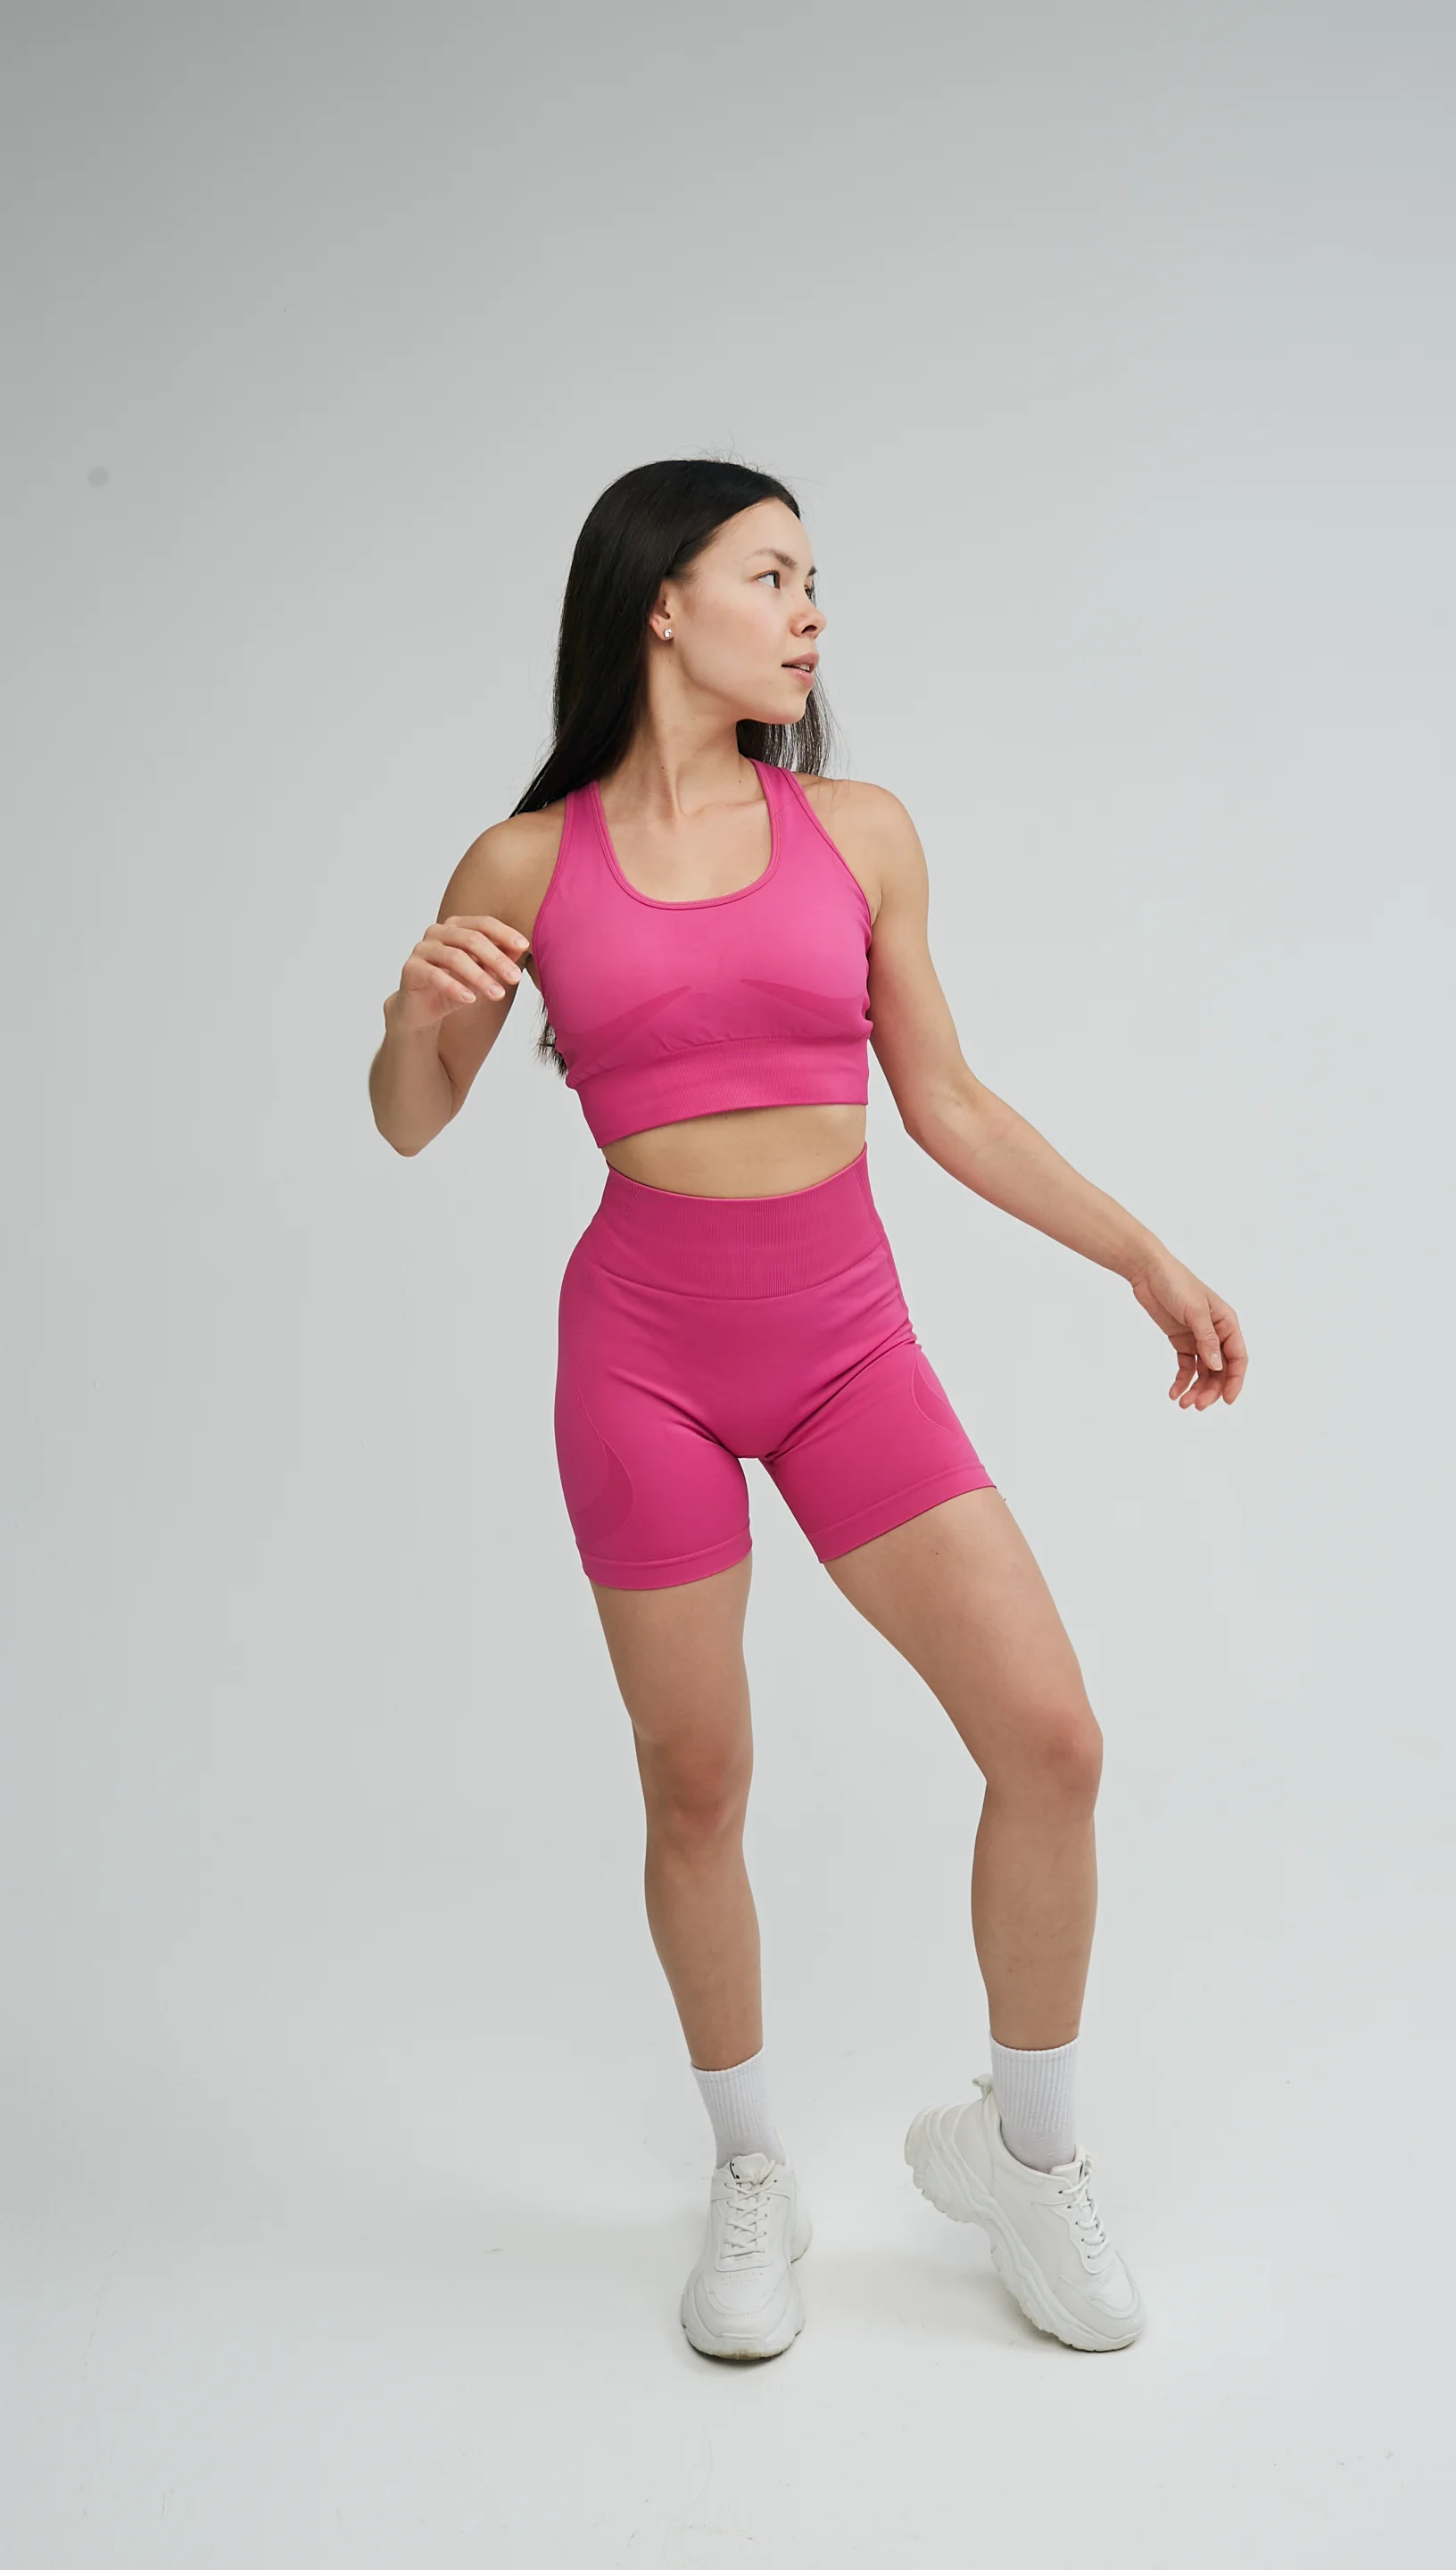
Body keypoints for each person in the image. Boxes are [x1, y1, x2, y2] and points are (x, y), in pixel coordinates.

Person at [368, 458, 1247, 2362]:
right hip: (643, 1364)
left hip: (848, 1350)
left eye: (813, 578)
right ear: (659, 601)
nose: (811, 610)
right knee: (697, 1784)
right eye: (772, 575)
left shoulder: (858, 832)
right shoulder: (522, 865)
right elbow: (411, 1119)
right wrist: (413, 1014)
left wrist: (1142, 1256)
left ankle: (1025, 2156)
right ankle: (752, 2169)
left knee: (1052, 1739)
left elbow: (950, 1104)